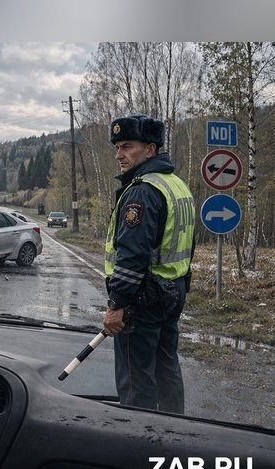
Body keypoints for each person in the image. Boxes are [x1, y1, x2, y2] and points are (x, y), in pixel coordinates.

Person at [102, 114, 196, 414]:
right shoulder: (176, 185)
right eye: (117, 147)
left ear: (150, 149)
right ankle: (173, 429)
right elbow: (186, 245)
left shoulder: (142, 191)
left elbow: (132, 256)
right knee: (166, 368)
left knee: (136, 379)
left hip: (143, 299)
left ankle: (138, 437)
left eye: (127, 146)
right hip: (173, 291)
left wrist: (117, 304)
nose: (119, 155)